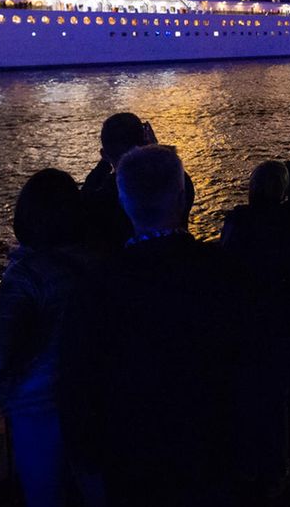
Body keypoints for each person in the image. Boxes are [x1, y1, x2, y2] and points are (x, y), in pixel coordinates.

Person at [60, 145, 247, 506]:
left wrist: (87, 467)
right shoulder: (225, 273)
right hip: (211, 454)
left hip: (130, 461)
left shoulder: (96, 288)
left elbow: (76, 386)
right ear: (183, 198)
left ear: (123, 201)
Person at [0, 170, 102, 507]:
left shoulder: (26, 275)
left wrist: (10, 397)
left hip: (38, 411)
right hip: (94, 400)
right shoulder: (100, 262)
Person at [220, 161, 290, 496]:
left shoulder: (238, 220)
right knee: (277, 396)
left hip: (245, 316)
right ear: (284, 191)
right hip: (281, 316)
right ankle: (277, 466)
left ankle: (246, 465)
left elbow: (224, 263)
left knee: (245, 393)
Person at [82, 112, 195, 252]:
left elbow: (84, 198)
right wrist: (155, 149)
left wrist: (104, 162)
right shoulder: (175, 180)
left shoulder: (101, 197)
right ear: (145, 142)